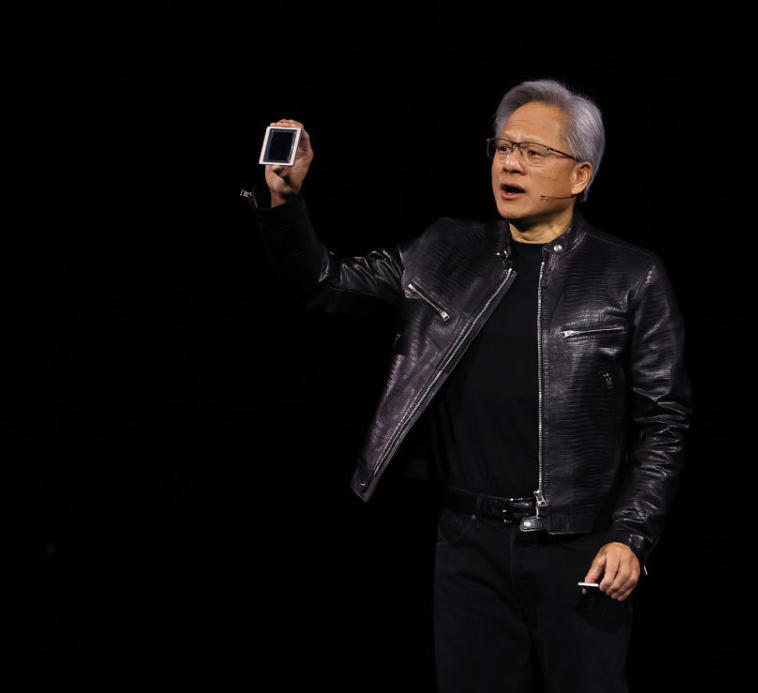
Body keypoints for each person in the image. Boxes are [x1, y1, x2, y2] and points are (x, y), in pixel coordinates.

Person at [251, 79, 691, 692]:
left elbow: (665, 421)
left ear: (580, 175)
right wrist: (285, 203)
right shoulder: (446, 250)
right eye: (503, 147)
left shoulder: (629, 275)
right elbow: (324, 283)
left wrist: (632, 536)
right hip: (468, 545)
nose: (510, 163)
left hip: (579, 548)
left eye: (534, 152)